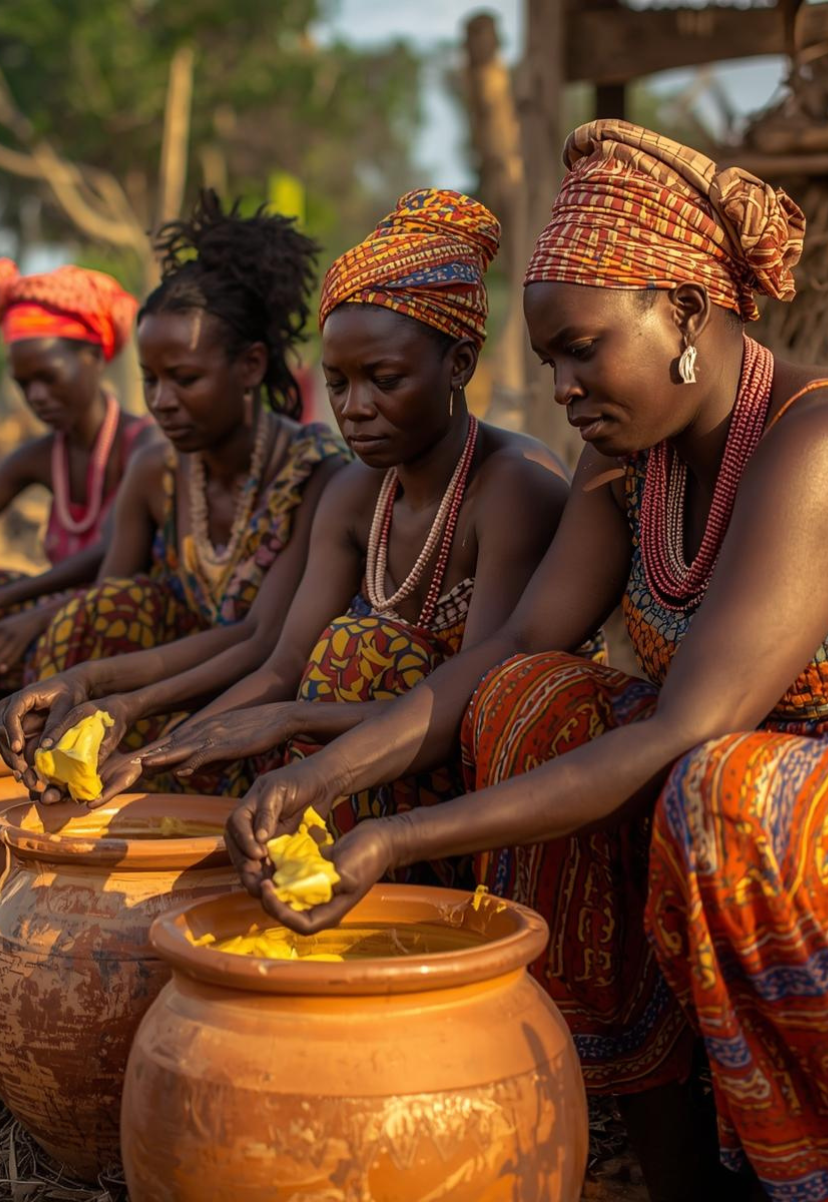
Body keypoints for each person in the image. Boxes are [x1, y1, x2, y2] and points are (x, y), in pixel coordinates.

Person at [222, 123, 828, 1202]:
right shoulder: (626, 458)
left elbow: (688, 724)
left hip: (775, 823)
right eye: (548, 357)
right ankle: (661, 1157)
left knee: (729, 788)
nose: (558, 385)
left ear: (685, 309)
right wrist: (327, 770)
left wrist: (392, 834)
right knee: (527, 701)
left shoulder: (810, 441)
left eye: (583, 346)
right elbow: (511, 647)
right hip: (694, 795)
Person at [5, 189, 577, 857]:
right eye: (337, 384)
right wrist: (156, 747)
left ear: (458, 365)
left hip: (476, 767)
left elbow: (478, 694)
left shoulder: (511, 487)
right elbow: (280, 662)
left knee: (355, 655)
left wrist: (290, 719)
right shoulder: (356, 492)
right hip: (351, 748)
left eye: (384, 380)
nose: (355, 408)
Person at [0, 190, 347, 791]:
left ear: (250, 366)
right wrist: (83, 679)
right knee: (106, 610)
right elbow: (107, 604)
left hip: (262, 698)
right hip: (168, 685)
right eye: (150, 380)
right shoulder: (157, 471)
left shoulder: (313, 474)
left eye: (184, 379)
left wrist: (123, 704)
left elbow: (262, 639)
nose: (160, 401)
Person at [0, 260, 152, 684]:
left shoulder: (145, 449)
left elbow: (109, 556)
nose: (36, 396)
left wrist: (19, 604)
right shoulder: (38, 457)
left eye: (47, 377)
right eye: (24, 384)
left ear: (93, 358)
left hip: (121, 625)